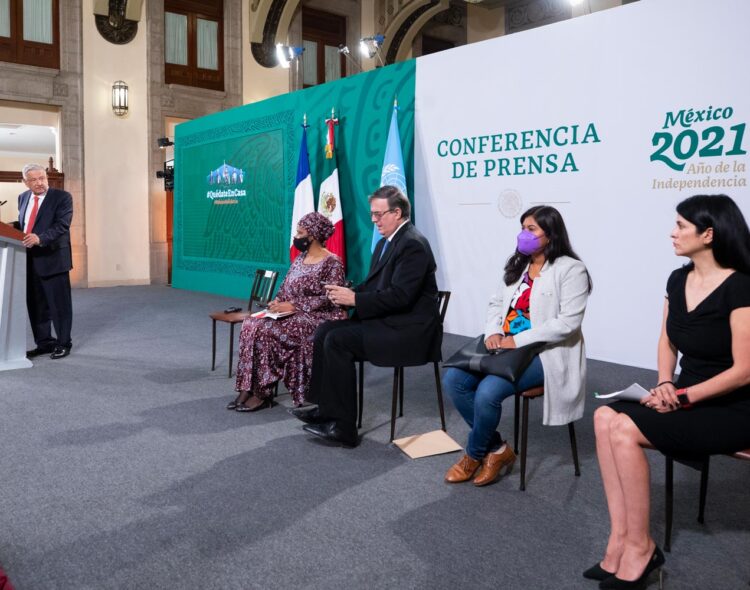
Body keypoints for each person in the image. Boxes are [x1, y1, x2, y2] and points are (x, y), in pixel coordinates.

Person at [589, 194, 750, 589]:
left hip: (733, 407)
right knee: (603, 416)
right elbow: (667, 341)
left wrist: (682, 397)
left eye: (681, 226)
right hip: (683, 393)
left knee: (624, 430)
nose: (672, 232)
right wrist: (665, 382)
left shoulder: (741, 287)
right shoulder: (678, 279)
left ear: (708, 234)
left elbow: (744, 371)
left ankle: (642, 548)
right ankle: (620, 539)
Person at [443, 205, 591, 486]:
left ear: (550, 233)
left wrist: (516, 340)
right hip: (503, 344)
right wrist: (493, 332)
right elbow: (496, 303)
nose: (524, 234)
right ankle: (497, 449)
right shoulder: (519, 264)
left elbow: (567, 323)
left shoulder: (572, 269)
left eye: (531, 229)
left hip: (545, 351)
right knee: (454, 380)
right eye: (523, 228)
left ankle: (473, 455)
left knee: (488, 392)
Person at [289, 185, 441, 447]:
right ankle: (326, 408)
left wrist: (356, 300)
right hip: (389, 322)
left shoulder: (413, 245)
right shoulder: (385, 243)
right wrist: (347, 292)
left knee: (338, 340)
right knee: (326, 329)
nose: (374, 220)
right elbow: (376, 287)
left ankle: (344, 428)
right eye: (372, 214)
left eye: (379, 214)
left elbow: (401, 296)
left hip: (408, 331)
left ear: (398, 212)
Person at [229, 212, 347, 412]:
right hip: (291, 313)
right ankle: (247, 387)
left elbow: (331, 297)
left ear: (313, 235)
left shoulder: (332, 262)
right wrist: (277, 302)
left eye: (300, 232)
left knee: (266, 330)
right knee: (251, 324)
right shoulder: (300, 259)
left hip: (317, 316)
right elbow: (285, 288)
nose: (297, 237)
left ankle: (262, 391)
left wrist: (295, 306)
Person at [13, 163, 74, 360]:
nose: (40, 183)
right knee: (36, 305)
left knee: (59, 305)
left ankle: (64, 343)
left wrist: (41, 238)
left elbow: (62, 225)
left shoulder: (62, 198)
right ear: (25, 182)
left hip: (54, 259)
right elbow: (24, 223)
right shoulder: (22, 198)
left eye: (42, 178)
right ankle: (44, 342)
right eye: (34, 180)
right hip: (30, 260)